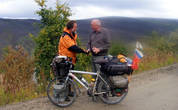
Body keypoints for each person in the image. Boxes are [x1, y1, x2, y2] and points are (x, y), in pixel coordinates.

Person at [58, 20, 88, 101]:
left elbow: (74, 46)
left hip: (70, 60)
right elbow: (72, 47)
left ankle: (69, 92)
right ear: (71, 28)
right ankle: (64, 95)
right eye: (75, 27)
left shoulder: (71, 35)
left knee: (70, 77)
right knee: (65, 78)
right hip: (65, 60)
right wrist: (83, 51)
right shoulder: (66, 36)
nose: (76, 28)